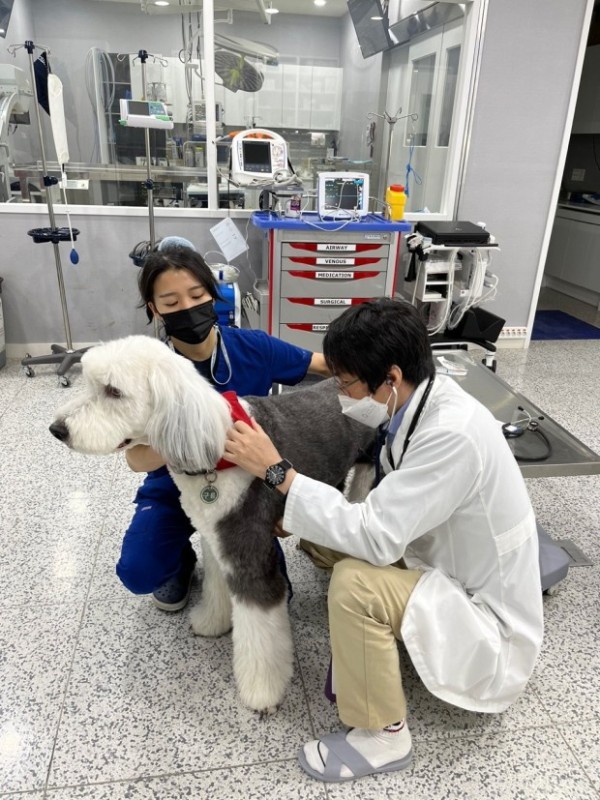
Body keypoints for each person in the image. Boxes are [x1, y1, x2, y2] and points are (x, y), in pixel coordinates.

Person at [223, 297, 544, 784]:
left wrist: (277, 472)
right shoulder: (418, 403)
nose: (340, 395)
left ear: (390, 378)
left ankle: (383, 735)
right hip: (433, 553)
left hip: (484, 618)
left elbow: (375, 538)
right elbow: (386, 510)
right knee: (318, 539)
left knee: (353, 585)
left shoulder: (452, 434)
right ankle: (375, 643)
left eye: (346, 383)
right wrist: (302, 512)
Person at [119, 238, 329, 611]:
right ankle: (180, 561)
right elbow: (135, 460)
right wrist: (194, 435)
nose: (187, 308)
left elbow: (322, 364)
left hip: (249, 487)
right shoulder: (148, 372)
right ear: (155, 310)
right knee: (139, 571)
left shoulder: (253, 348)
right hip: (174, 486)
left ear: (213, 294)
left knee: (273, 595)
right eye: (171, 303)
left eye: (196, 295)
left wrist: (391, 368)